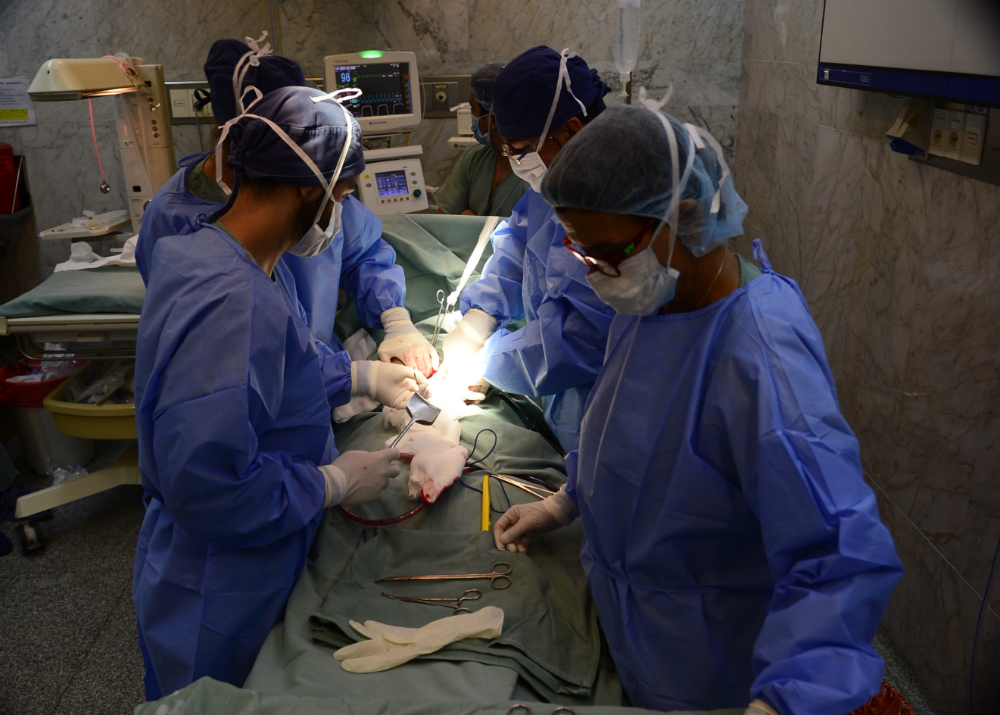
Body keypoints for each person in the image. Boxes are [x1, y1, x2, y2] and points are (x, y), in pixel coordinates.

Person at [493, 104, 904, 715]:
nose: (599, 274)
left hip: (713, 665)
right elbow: (627, 434)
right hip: (637, 631)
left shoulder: (761, 358)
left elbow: (838, 557)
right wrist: (567, 500)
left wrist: (784, 703)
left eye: (609, 253)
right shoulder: (654, 305)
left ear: (682, 215)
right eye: (582, 255)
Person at [132, 86, 427, 699]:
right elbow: (211, 487)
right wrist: (333, 483)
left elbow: (270, 369)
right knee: (211, 702)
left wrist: (357, 376)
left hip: (250, 550)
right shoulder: (233, 301)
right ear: (307, 189)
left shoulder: (214, 255)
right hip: (218, 581)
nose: (340, 217)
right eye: (341, 198)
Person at [135, 36, 436, 375]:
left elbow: (360, 250)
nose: (336, 200)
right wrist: (346, 381)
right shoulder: (181, 228)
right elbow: (229, 370)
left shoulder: (317, 190)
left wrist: (393, 318)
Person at [439, 47, 613, 452]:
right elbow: (521, 243)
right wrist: (480, 316)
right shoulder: (556, 181)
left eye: (519, 148)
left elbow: (585, 337)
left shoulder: (613, 198)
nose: (516, 161)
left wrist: (491, 360)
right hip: (565, 411)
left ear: (569, 130)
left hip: (608, 416)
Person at [435, 61, 527, 217]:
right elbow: (442, 224)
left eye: (473, 108)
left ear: (492, 120)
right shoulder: (474, 159)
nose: (471, 115)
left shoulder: (534, 174)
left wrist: (469, 220)